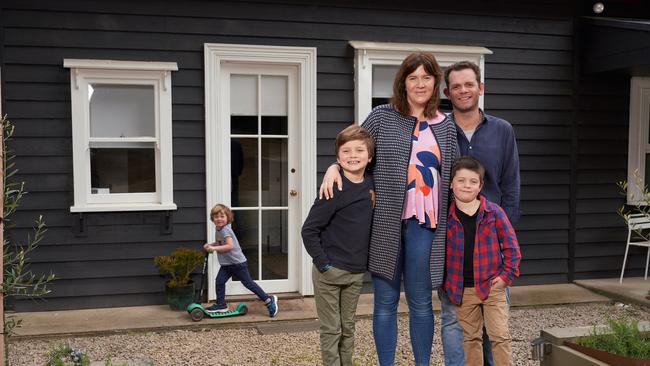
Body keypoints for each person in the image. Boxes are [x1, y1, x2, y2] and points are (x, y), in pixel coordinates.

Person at [320, 52, 458, 366]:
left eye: (426, 77)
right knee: (385, 301)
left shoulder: (445, 127)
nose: (420, 84)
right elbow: (354, 149)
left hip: (426, 226)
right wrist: (333, 168)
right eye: (413, 77)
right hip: (384, 223)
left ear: (435, 82)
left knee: (421, 302)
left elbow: (456, 175)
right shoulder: (383, 116)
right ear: (403, 82)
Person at [438, 60, 521, 366]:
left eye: (469, 84)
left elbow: (511, 184)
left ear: (480, 88)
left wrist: (505, 236)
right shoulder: (438, 130)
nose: (463, 90)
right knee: (454, 322)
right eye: (456, 86)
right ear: (448, 92)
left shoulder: (502, 130)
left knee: (495, 327)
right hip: (454, 243)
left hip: (492, 246)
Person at [302, 124, 375, 366]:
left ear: (370, 156)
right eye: (346, 151)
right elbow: (309, 230)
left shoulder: (372, 185)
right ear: (337, 157)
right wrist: (323, 264)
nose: (353, 156)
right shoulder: (333, 188)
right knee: (331, 330)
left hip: (355, 273)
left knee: (348, 328)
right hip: (329, 273)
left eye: (359, 151)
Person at [444, 156, 521, 366]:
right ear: (451, 183)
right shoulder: (446, 217)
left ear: (480, 186)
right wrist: (447, 283)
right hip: (462, 290)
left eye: (472, 181)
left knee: (499, 336)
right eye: (461, 180)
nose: (466, 186)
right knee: (470, 339)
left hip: (492, 286)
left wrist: (506, 277)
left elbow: (512, 248)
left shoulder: (494, 212)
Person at [203, 203, 278, 317]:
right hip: (227, 264)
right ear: (212, 219)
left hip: (237, 263)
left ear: (228, 218)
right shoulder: (219, 229)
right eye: (216, 216)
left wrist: (213, 248)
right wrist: (211, 244)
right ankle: (221, 305)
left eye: (222, 216)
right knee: (219, 281)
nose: (219, 219)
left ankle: (269, 300)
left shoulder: (225, 230)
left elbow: (229, 246)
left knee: (248, 283)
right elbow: (220, 243)